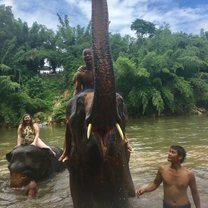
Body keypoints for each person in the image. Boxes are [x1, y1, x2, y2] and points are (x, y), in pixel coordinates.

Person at [136, 145, 201, 208]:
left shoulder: (189, 174)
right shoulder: (163, 170)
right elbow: (155, 184)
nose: (169, 154)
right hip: (167, 206)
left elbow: (194, 192)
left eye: (173, 152)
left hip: (184, 206)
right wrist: (144, 189)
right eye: (169, 151)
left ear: (180, 157)